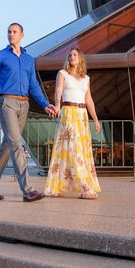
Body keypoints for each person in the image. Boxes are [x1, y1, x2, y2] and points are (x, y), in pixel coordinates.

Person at [0, 22, 56, 202]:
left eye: (14, 32)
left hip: (24, 104)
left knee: (8, 146)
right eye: (9, 31)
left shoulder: (29, 60)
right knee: (16, 144)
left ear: (22, 35)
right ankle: (28, 190)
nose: (11, 34)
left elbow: (33, 85)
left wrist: (45, 104)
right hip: (6, 102)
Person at [44, 47, 101, 199]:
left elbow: (89, 99)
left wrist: (95, 119)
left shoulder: (86, 78)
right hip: (68, 112)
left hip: (82, 116)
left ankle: (60, 187)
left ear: (80, 58)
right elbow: (58, 90)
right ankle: (84, 189)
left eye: (75, 55)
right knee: (71, 150)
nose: (72, 57)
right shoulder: (62, 74)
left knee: (81, 151)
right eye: (69, 55)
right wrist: (57, 105)